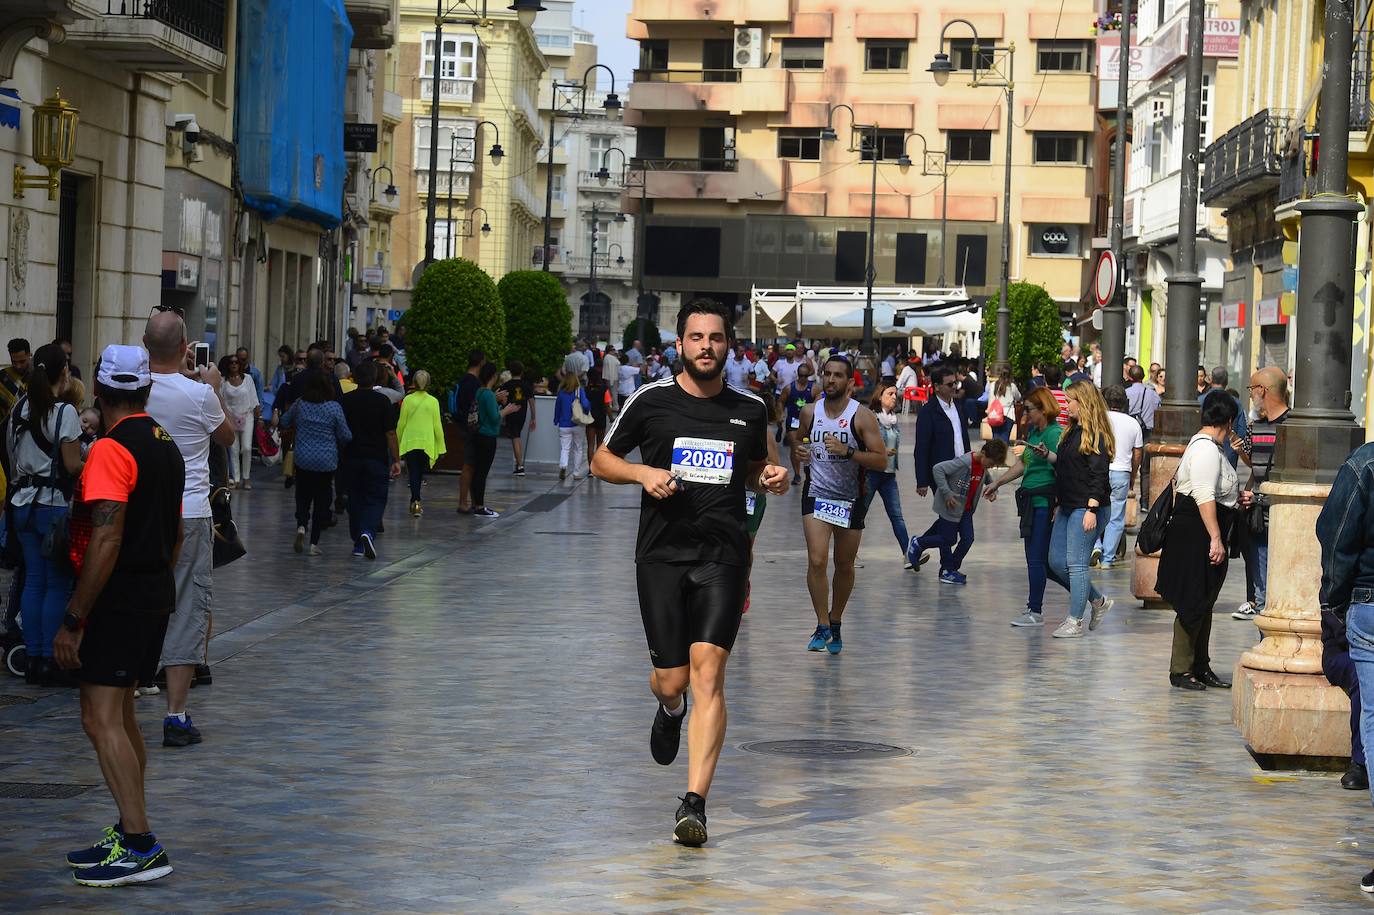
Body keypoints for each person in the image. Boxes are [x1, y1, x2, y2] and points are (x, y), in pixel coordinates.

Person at [590, 298, 787, 847]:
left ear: (729, 345)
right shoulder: (650, 400)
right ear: (680, 345)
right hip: (660, 555)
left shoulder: (750, 407)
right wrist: (641, 473)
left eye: (716, 338)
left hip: (723, 554)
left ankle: (695, 803)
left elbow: (758, 469)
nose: (707, 346)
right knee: (676, 680)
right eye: (696, 337)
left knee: (710, 676)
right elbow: (601, 461)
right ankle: (668, 706)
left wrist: (774, 479)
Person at [52, 344, 184, 886]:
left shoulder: (110, 448)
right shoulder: (165, 443)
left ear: (101, 393)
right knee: (122, 715)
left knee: (98, 718)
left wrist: (75, 617)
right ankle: (129, 830)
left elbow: (105, 535)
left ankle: (139, 842)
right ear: (146, 389)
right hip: (152, 591)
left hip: (117, 597)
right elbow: (175, 533)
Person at [144, 311, 233, 748]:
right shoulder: (199, 394)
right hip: (190, 510)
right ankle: (175, 715)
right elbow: (228, 437)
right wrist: (212, 388)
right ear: (185, 349)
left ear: (145, 346)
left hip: (138, 510)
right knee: (187, 606)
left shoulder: (129, 390)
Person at [792, 355, 886, 654]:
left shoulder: (862, 416)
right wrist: (800, 453)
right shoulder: (810, 412)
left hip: (850, 498)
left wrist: (848, 452)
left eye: (838, 375)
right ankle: (821, 623)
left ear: (849, 381)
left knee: (843, 565)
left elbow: (881, 460)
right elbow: (798, 441)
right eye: (827, 374)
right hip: (817, 493)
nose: (831, 380)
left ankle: (836, 620)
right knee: (817, 560)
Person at [5, 342, 84, 683]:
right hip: (50, 506)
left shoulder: (20, 407)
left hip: (21, 504)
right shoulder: (64, 412)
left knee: (33, 581)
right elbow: (70, 465)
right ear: (63, 372)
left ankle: (33, 659)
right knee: (56, 584)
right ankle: (53, 661)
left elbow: (11, 458)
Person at [1157, 391, 1239, 690]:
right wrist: (1215, 539)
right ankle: (1181, 669)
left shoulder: (1209, 447)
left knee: (1205, 600)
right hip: (1196, 533)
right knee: (1192, 600)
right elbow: (1203, 495)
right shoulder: (1205, 450)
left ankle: (1200, 665)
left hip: (1199, 527)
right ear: (1228, 421)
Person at [984, 387, 1063, 627]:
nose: (1026, 414)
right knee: (1041, 562)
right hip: (1031, 501)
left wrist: (1059, 503)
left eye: (1028, 409)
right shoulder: (1036, 433)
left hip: (1044, 502)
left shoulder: (1053, 433)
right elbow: (1023, 465)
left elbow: (1064, 467)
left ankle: (1035, 610)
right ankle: (1093, 597)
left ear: (1043, 408)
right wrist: (997, 482)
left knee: (1037, 559)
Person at [1043, 381, 1114, 638]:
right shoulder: (1071, 431)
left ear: (1083, 403)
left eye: (1071, 400)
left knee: (1076, 564)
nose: (1066, 404)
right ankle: (1098, 600)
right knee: (1055, 562)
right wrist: (1048, 455)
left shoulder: (1095, 435)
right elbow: (1066, 465)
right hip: (1067, 505)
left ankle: (1075, 621)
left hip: (1087, 507)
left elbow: (1098, 475)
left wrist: (1092, 510)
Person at [910, 439, 1010, 584]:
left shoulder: (983, 464)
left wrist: (991, 487)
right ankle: (918, 543)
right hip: (951, 506)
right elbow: (938, 469)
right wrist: (947, 493)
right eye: (991, 463)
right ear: (983, 453)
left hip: (966, 509)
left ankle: (950, 569)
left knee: (968, 539)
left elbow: (985, 474)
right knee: (948, 539)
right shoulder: (964, 462)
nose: (991, 466)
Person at [1233, 366, 1290, 621]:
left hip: (1282, 520)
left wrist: (1259, 498)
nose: (1250, 396)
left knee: (1276, 589)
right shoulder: (1254, 426)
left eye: (1251, 389)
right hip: (1256, 519)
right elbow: (1254, 464)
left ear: (1261, 390)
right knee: (1260, 589)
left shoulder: (1293, 425)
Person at [280, 371, 350, 555]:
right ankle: (314, 543)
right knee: (322, 498)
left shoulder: (300, 404)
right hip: (326, 460)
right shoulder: (334, 408)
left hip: (303, 459)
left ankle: (302, 525)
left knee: (302, 495)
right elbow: (346, 435)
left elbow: (284, 420)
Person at [339, 361, 401, 559]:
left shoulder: (345, 401)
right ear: (375, 379)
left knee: (355, 497)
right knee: (375, 498)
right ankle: (368, 531)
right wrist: (397, 460)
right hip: (376, 457)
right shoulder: (382, 401)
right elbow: (390, 433)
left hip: (351, 456)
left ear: (354, 378)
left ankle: (358, 542)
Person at [862, 383, 911, 567]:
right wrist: (880, 452)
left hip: (889, 475)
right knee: (861, 513)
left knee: (897, 515)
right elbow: (864, 445)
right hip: (872, 474)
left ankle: (908, 554)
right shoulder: (871, 418)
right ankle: (849, 553)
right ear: (879, 396)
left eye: (895, 394)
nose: (894, 397)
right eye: (890, 393)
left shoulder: (892, 419)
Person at [1096, 384, 1143, 569]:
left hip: (1099, 469)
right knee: (1116, 517)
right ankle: (1107, 559)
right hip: (1122, 471)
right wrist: (1133, 474)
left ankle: (1095, 545)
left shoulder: (1099, 419)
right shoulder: (1133, 423)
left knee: (1092, 508)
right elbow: (1137, 453)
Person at [1322, 609, 1370, 790]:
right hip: (1343, 652)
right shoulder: (1335, 582)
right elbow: (1341, 632)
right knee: (1361, 673)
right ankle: (1359, 763)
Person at [470, 363, 518, 518]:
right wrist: (506, 410)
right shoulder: (488, 395)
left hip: (478, 434)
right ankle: (480, 506)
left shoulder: (480, 392)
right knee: (482, 472)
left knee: (477, 470)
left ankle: (474, 503)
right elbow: (495, 417)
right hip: (488, 436)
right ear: (493, 377)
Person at [397, 369, 445, 517]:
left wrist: (397, 444)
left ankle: (415, 500)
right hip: (426, 442)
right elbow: (437, 426)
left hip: (410, 441)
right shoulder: (433, 401)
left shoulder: (408, 400)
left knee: (413, 472)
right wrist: (442, 447)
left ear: (413, 383)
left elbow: (401, 424)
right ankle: (416, 501)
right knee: (420, 473)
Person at [218, 354, 259, 490]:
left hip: (247, 416)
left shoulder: (248, 379)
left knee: (246, 447)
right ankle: (236, 478)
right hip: (231, 417)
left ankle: (246, 477)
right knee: (234, 449)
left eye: (236, 362)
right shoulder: (224, 381)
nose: (234, 364)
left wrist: (260, 417)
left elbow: (254, 398)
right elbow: (221, 398)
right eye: (231, 362)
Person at [454, 349, 485, 513]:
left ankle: (470, 501)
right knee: (469, 465)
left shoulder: (463, 380)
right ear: (481, 362)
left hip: (463, 425)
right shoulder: (474, 383)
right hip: (472, 428)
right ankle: (464, 502)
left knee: (471, 465)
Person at [1125, 363, 1161, 501]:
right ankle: (1145, 501)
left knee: (1128, 464)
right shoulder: (1154, 395)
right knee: (1146, 470)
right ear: (1143, 376)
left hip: (1130, 433)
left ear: (1129, 377)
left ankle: (1128, 494)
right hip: (1147, 433)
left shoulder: (1126, 393)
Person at [1199, 367, 1247, 467]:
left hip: (1202, 452)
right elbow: (1242, 431)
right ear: (1226, 381)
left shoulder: (1200, 400)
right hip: (1228, 455)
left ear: (1211, 379)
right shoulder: (1236, 402)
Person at [780, 363, 818, 485]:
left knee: (811, 448)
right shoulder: (789, 388)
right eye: (801, 375)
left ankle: (811, 473)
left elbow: (820, 402)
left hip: (808, 422)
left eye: (805, 376)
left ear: (808, 376)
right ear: (797, 374)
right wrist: (780, 415)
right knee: (796, 447)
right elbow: (781, 401)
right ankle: (797, 474)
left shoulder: (814, 388)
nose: (803, 378)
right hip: (793, 421)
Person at [554, 372, 593, 482]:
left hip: (564, 424)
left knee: (565, 448)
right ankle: (576, 472)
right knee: (578, 448)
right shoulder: (579, 391)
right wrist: (587, 408)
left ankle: (563, 465)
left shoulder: (561, 393)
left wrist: (556, 420)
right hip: (577, 424)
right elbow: (585, 405)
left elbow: (557, 408)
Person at [988, 368, 1019, 443]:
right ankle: (1002, 453)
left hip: (994, 414)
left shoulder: (993, 385)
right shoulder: (1012, 386)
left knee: (995, 436)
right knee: (1005, 437)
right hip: (1008, 414)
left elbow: (990, 399)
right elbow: (1018, 397)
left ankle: (994, 453)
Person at [2, 337, 31, 416]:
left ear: (29, 355)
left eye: (22, 361)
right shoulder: (3, 376)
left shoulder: (37, 376)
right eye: (14, 362)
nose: (18, 366)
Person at [601, 345, 622, 412]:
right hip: (612, 378)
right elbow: (611, 370)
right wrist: (611, 381)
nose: (614, 351)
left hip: (611, 378)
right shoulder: (609, 358)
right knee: (613, 393)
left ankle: (612, 406)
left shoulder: (608, 357)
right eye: (612, 350)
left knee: (612, 393)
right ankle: (614, 407)